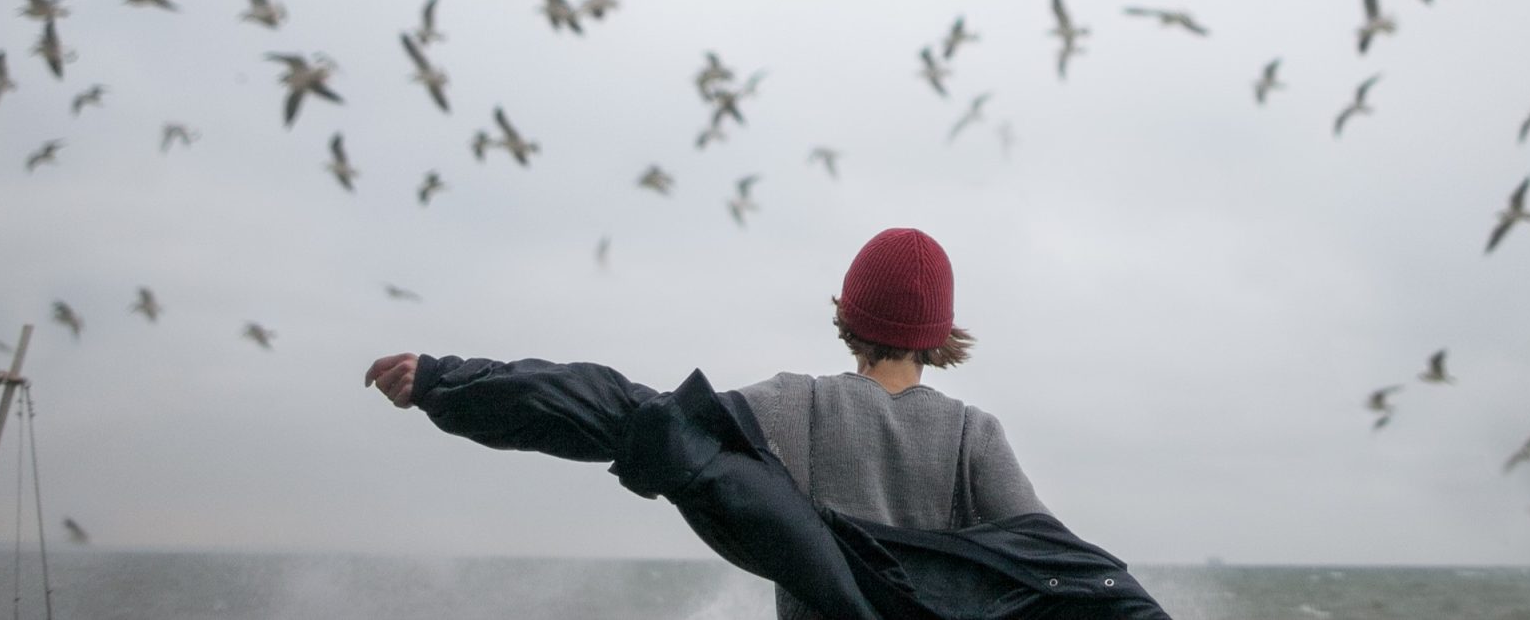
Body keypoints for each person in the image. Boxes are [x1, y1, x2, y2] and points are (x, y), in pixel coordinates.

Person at [365, 227, 1154, 620]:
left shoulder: (794, 405)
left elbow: (625, 414)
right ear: (940, 333)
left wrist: (445, 382)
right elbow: (1057, 577)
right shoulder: (975, 436)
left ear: (848, 317)